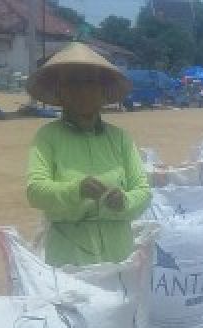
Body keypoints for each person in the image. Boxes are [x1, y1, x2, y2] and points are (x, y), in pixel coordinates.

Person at [25, 42, 151, 268]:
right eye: (72, 83)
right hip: (70, 258)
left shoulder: (120, 138)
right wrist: (76, 189)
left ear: (102, 91)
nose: (82, 90)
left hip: (119, 257)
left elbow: (143, 190)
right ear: (60, 92)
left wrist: (124, 201)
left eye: (90, 83)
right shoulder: (48, 137)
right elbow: (35, 192)